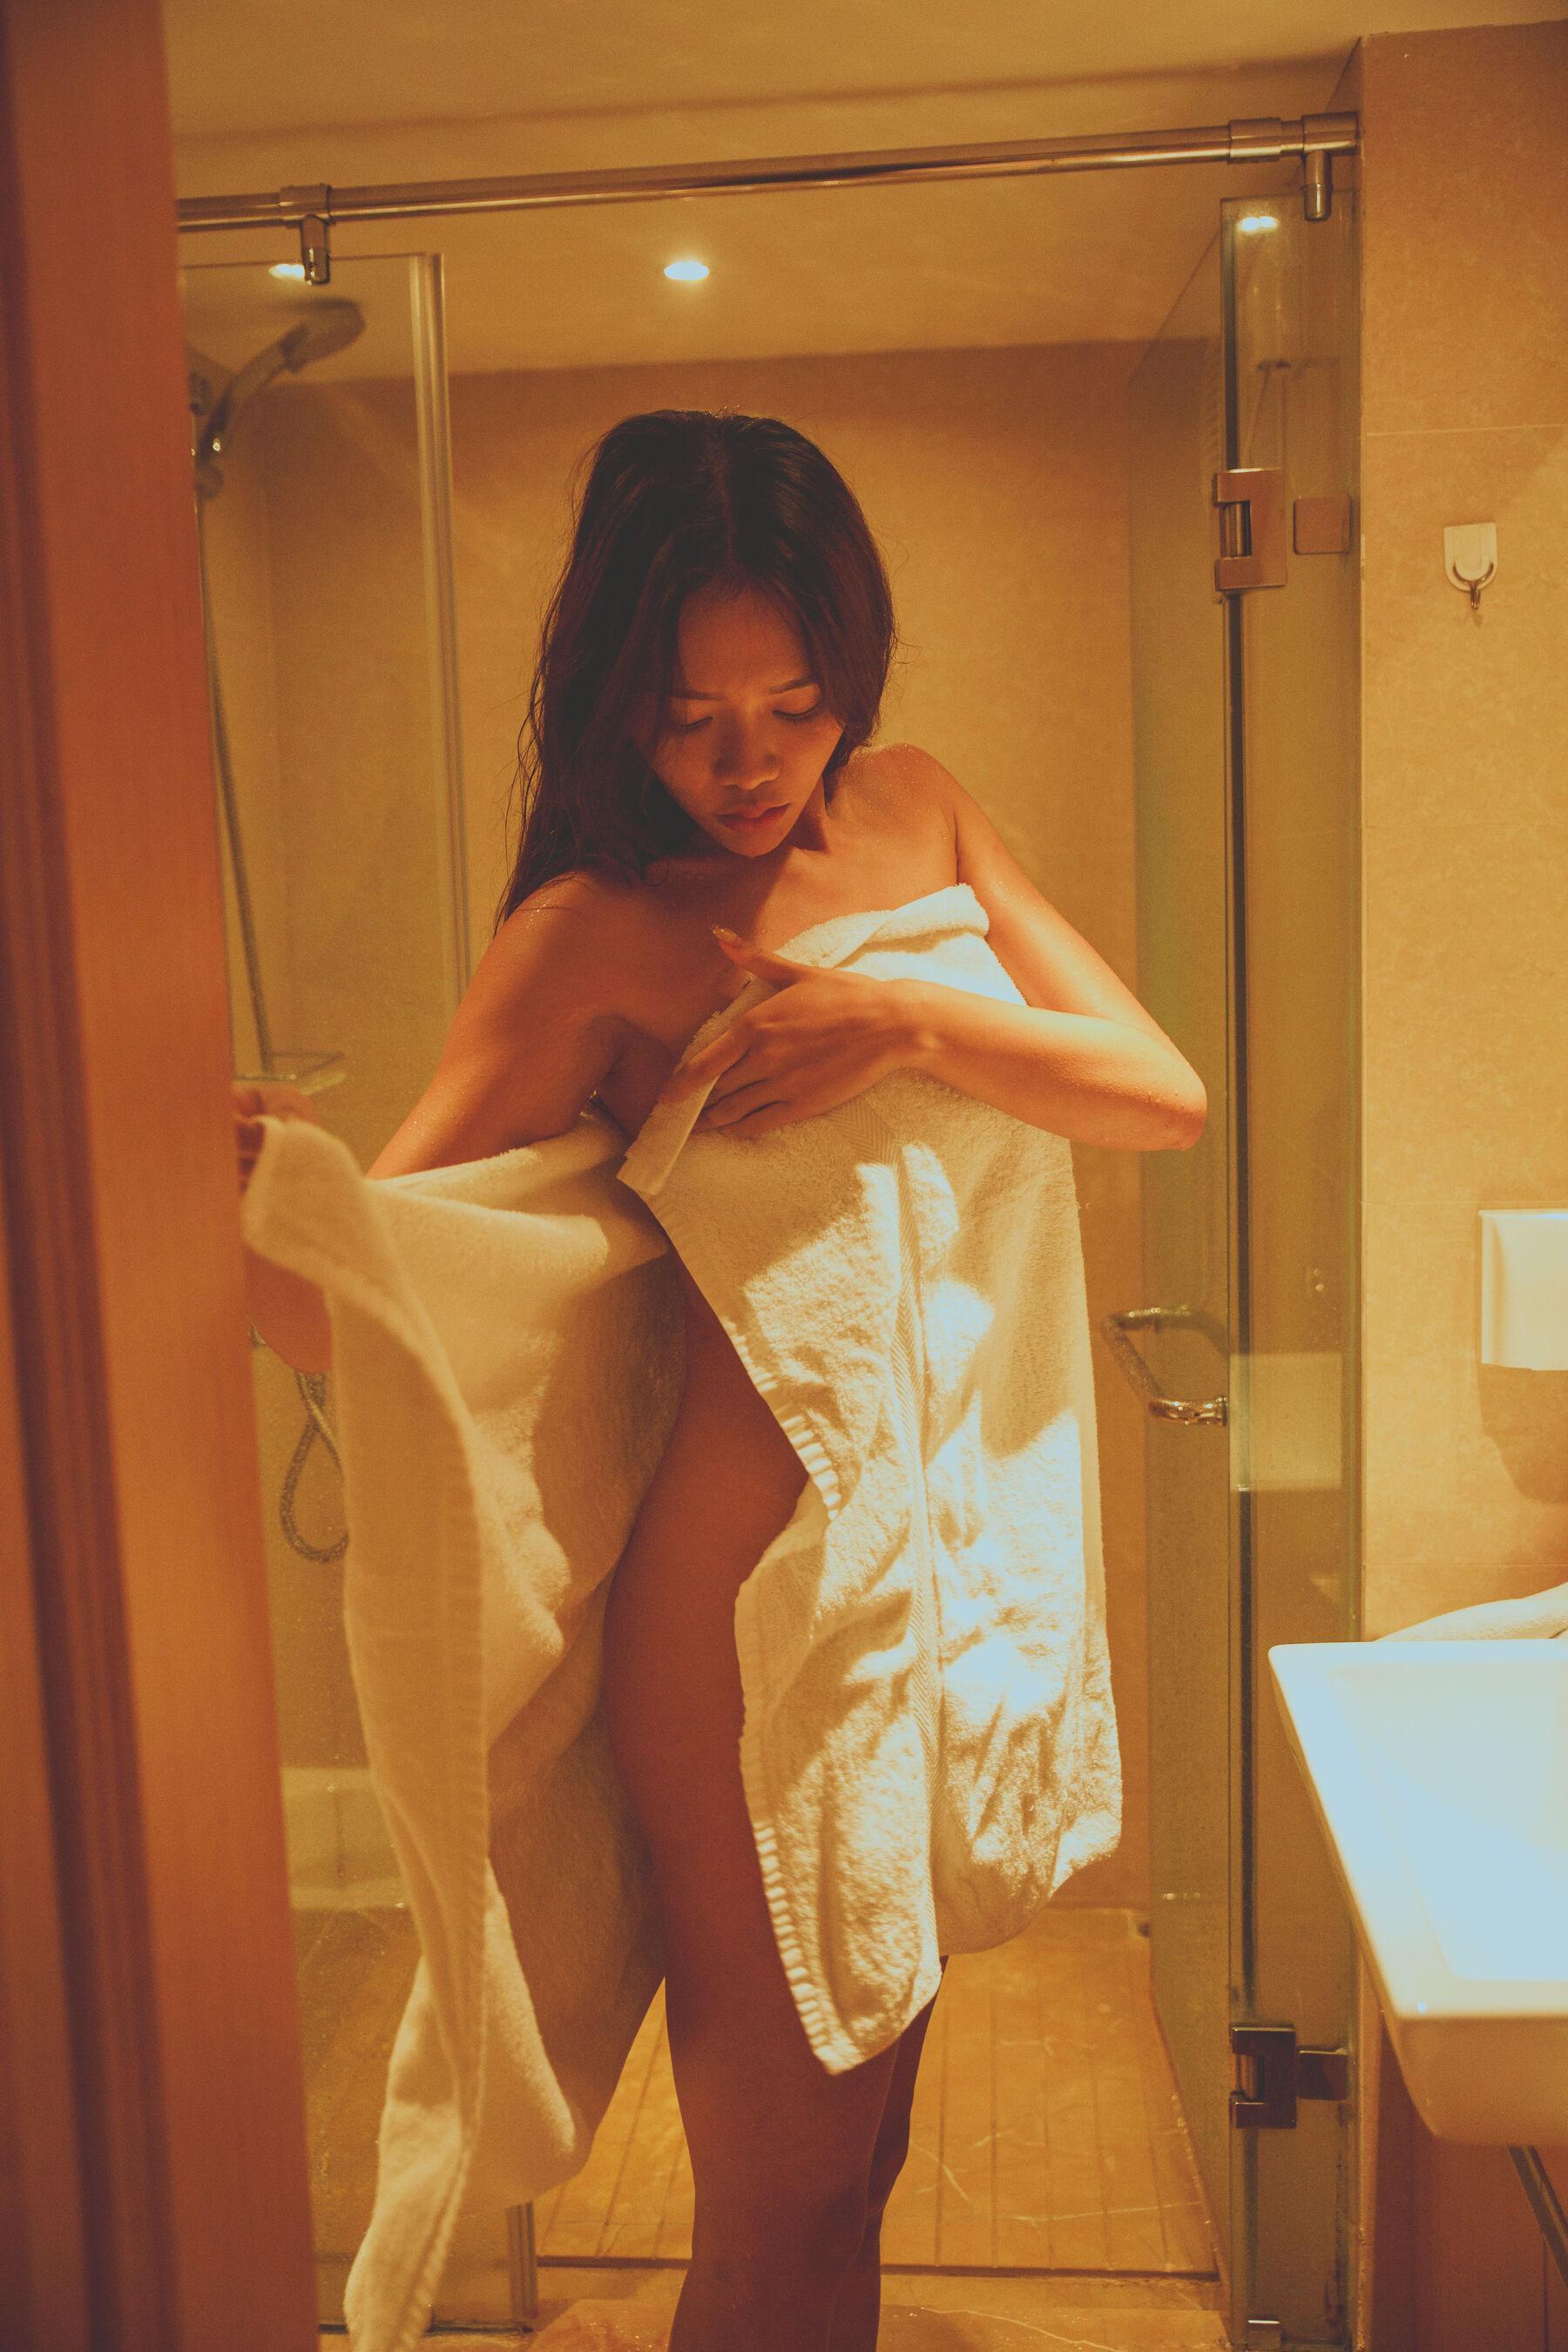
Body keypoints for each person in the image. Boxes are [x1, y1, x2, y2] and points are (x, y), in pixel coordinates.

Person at [236, 408, 1205, 2352]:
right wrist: (251, 1191)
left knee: (870, 2160)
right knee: (781, 2201)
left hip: (937, 1573)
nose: (750, 764)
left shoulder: (920, 810)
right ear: (620, 698)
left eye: (793, 705)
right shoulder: (591, 937)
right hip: (750, 1620)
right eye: (691, 719)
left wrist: (897, 1018)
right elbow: (365, 1306)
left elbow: (1156, 1092)